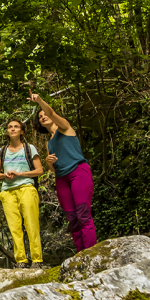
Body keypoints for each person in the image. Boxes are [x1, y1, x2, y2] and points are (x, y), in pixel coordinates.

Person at [29, 93, 97, 252]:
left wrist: (39, 101)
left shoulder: (65, 127)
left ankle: (91, 254)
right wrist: (48, 164)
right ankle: (81, 255)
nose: (44, 117)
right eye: (40, 116)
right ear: (39, 122)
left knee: (83, 215)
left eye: (44, 114)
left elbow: (51, 113)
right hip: (61, 179)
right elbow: (54, 170)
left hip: (78, 173)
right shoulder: (49, 143)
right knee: (72, 220)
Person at [0, 119, 44, 269]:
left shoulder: (29, 148)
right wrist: (4, 176)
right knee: (14, 228)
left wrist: (19, 173)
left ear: (22, 131)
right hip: (7, 192)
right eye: (10, 127)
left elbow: (39, 171)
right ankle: (21, 261)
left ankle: (37, 260)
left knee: (31, 224)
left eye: (16, 127)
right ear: (7, 131)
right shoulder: (1, 151)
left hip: (26, 188)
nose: (13, 129)